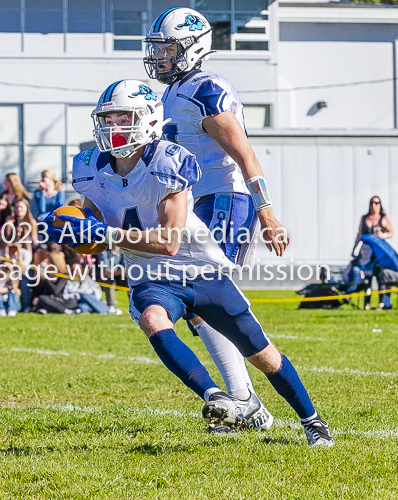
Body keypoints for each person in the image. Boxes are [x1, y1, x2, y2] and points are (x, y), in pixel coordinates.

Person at [47, 80, 332, 445]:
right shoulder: (89, 167)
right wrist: (72, 231)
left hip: (199, 270)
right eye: (108, 119)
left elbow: (167, 243)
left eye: (123, 118)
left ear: (148, 120)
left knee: (264, 356)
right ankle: (217, 398)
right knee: (152, 319)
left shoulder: (169, 161)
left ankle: (311, 419)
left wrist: (106, 235)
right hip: (149, 276)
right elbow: (94, 221)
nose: (114, 128)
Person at [143, 7, 287, 428]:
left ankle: (245, 402)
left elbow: (245, 155)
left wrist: (267, 211)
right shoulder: (175, 91)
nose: (161, 58)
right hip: (196, 203)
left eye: (169, 49)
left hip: (225, 199)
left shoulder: (206, 89)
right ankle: (244, 401)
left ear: (193, 48)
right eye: (159, 49)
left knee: (204, 296)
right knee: (195, 302)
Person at [97, 246, 127, 315]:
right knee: (110, 279)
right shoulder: (103, 251)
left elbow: (126, 269)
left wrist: (122, 272)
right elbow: (105, 272)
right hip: (102, 279)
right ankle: (111, 306)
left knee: (129, 279)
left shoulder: (123, 252)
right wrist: (119, 271)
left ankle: (133, 305)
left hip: (118, 278)